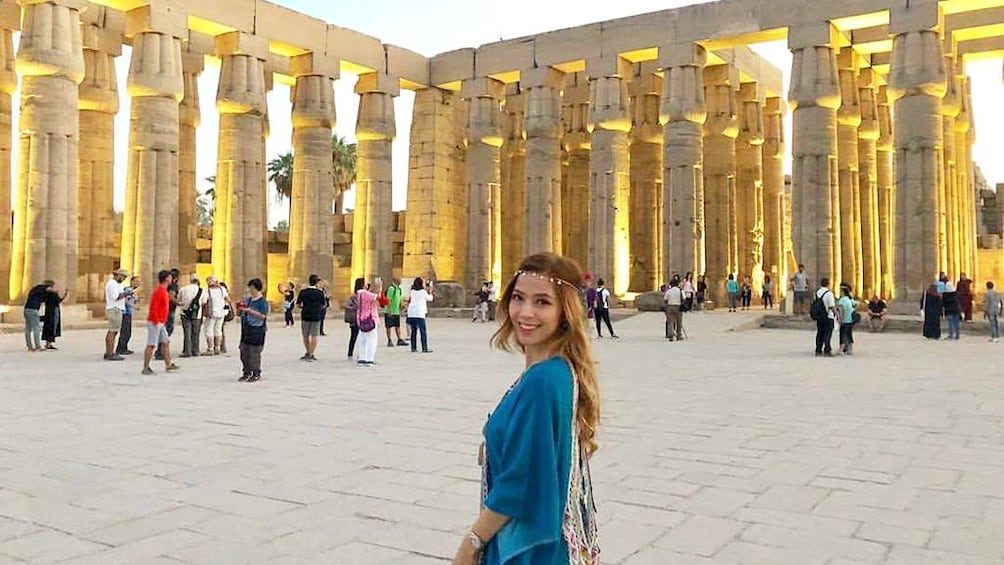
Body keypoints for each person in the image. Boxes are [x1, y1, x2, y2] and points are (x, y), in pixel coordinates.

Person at [450, 252, 600, 565]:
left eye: (543, 302)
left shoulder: (543, 381)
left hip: (527, 549)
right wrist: (495, 445)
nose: (525, 312)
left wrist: (471, 543)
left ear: (565, 311)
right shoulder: (559, 369)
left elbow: (519, 483)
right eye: (518, 298)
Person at [142, 270, 180, 375]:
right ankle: (146, 367)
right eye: (170, 277)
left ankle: (168, 364)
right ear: (167, 278)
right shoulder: (159, 291)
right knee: (151, 344)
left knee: (166, 342)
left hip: (161, 321)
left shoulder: (164, 290)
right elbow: (153, 307)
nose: (172, 279)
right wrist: (156, 321)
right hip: (155, 321)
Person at [237, 278, 269, 382]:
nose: (250, 290)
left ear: (257, 289)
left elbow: (263, 316)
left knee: (254, 352)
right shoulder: (248, 299)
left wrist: (250, 311)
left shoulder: (262, 302)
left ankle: (256, 372)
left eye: (251, 288)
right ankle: (246, 371)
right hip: (246, 328)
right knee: (244, 350)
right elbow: (242, 312)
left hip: (257, 328)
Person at [104, 268, 133, 361]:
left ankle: (109, 351)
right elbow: (116, 297)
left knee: (114, 331)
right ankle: (110, 353)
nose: (124, 278)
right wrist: (126, 293)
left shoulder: (117, 284)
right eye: (123, 276)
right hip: (114, 309)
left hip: (118, 309)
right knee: (112, 331)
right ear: (118, 275)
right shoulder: (112, 284)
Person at [296, 274, 327, 361]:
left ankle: (307, 352)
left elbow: (298, 304)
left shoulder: (303, 292)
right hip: (316, 315)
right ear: (316, 282)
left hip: (305, 315)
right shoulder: (320, 293)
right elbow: (324, 304)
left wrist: (304, 307)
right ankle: (312, 353)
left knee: (305, 335)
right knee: (314, 335)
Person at [156, 268, 181, 361]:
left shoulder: (164, 286)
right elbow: (170, 296)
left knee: (164, 331)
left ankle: (161, 351)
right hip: (169, 310)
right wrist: (178, 303)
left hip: (164, 310)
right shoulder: (173, 286)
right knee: (167, 331)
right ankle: (160, 351)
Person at [355, 277, 381, 365]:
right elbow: (378, 297)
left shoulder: (358, 294)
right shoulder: (365, 293)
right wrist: (379, 286)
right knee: (372, 340)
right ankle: (370, 358)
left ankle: (362, 357)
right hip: (370, 318)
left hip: (361, 318)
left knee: (363, 340)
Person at [177, 275, 205, 358]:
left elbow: (179, 300)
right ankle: (195, 351)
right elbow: (204, 302)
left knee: (187, 333)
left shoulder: (183, 289)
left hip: (185, 313)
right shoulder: (202, 290)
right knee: (196, 333)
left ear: (190, 280)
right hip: (197, 314)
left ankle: (187, 351)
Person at [406, 277, 435, 353]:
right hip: (419, 313)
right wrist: (430, 291)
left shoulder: (412, 291)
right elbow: (430, 298)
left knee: (413, 331)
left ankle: (413, 347)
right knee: (423, 331)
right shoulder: (423, 292)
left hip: (411, 313)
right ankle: (424, 348)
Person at [202, 276, 230, 355]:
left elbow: (204, 302)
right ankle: (217, 347)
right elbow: (228, 299)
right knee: (218, 330)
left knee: (209, 329)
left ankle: (210, 348)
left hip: (212, 312)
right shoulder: (222, 289)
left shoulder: (207, 291)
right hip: (222, 312)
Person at [23, 281, 53, 352]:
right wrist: (55, 291)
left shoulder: (35, 290)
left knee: (28, 329)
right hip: (33, 310)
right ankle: (37, 346)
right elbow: (47, 289)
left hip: (27, 309)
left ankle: (29, 346)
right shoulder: (41, 288)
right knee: (36, 328)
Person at [116, 276, 141, 356]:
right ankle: (121, 349)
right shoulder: (128, 290)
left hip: (128, 313)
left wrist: (137, 300)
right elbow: (125, 300)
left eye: (139, 281)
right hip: (125, 313)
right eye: (136, 281)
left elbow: (131, 300)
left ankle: (123, 348)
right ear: (132, 281)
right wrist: (134, 307)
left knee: (127, 332)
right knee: (125, 332)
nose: (138, 283)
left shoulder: (132, 291)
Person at [39, 281, 67, 350]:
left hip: (48, 311)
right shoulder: (53, 293)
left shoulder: (45, 294)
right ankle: (49, 344)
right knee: (52, 326)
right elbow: (59, 300)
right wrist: (66, 294)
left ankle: (48, 343)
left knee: (49, 326)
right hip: (54, 311)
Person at [814, 277, 837, 356]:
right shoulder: (829, 293)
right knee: (827, 333)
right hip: (828, 316)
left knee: (820, 332)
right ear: (828, 284)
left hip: (820, 315)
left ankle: (818, 349)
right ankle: (827, 350)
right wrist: (836, 314)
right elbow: (831, 306)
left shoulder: (818, 292)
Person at [384, 276, 407, 347]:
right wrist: (389, 310)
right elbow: (389, 300)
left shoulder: (399, 289)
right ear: (395, 280)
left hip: (396, 311)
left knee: (397, 326)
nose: (400, 281)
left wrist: (401, 306)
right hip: (390, 311)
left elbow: (399, 299)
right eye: (399, 279)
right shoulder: (392, 288)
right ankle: (389, 340)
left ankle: (399, 339)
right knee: (389, 326)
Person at [345, 278, 364, 359]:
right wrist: (357, 308)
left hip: (362, 318)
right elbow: (347, 306)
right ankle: (350, 353)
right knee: (354, 337)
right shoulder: (353, 296)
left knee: (362, 337)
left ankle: (362, 353)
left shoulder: (364, 294)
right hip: (356, 319)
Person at [837, 285, 856, 355]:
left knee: (843, 335)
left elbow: (842, 310)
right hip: (850, 319)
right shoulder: (849, 299)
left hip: (845, 320)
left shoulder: (842, 300)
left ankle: (841, 350)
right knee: (849, 334)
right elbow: (856, 304)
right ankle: (850, 349)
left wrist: (841, 319)